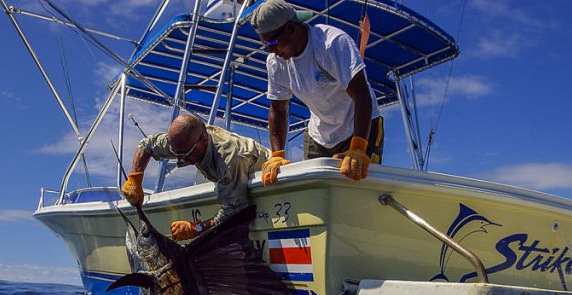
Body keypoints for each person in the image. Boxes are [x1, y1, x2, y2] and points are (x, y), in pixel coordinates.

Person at [251, 0, 384, 185]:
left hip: (360, 127)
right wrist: (277, 154)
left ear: (291, 28)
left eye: (273, 42)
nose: (271, 50)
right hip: (319, 135)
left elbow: (362, 95)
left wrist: (359, 147)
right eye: (266, 45)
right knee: (314, 186)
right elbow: (278, 109)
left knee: (357, 184)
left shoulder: (332, 43)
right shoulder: (275, 62)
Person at [121, 114, 270, 241]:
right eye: (176, 154)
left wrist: (195, 228)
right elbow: (146, 145)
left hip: (265, 179)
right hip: (233, 184)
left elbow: (235, 213)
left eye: (184, 155)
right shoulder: (182, 142)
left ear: (203, 140)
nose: (180, 160)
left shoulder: (230, 158)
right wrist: (135, 178)